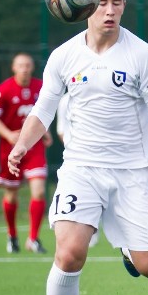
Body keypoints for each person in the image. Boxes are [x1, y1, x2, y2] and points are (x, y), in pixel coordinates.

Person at [7, 0, 148, 295]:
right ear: (85, 5)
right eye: (102, 2)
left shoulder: (141, 55)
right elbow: (43, 109)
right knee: (69, 252)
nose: (110, 10)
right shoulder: (64, 57)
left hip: (134, 172)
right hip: (81, 169)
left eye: (117, 2)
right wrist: (21, 145)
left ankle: (128, 249)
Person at [0, 52, 53, 254]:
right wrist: (8, 134)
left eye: (28, 65)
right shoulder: (4, 89)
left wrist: (45, 132)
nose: (24, 68)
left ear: (32, 67)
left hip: (35, 147)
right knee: (11, 194)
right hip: (11, 149)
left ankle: (33, 238)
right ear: (14, 68)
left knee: (39, 190)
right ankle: (12, 234)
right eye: (21, 65)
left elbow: (43, 113)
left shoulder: (40, 87)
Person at [55, 91, 99, 248]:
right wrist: (74, 149)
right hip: (77, 159)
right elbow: (61, 129)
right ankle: (87, 228)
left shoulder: (100, 96)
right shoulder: (65, 101)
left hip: (104, 156)